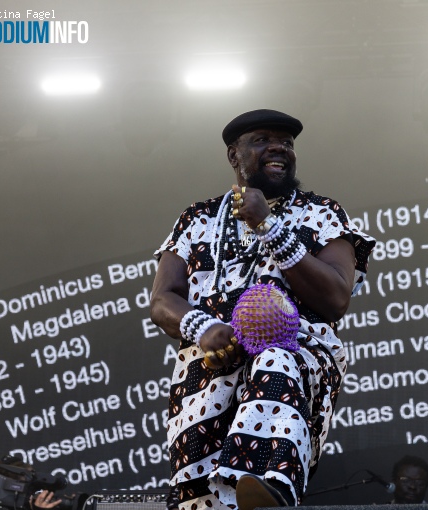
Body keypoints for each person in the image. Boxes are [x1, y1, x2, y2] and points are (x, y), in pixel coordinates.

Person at [150, 109, 376, 510]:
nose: (278, 148)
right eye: (262, 140)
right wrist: (204, 328)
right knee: (197, 495)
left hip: (294, 354)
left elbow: (337, 298)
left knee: (275, 360)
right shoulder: (196, 218)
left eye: (286, 143)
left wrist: (268, 225)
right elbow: (162, 299)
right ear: (233, 156)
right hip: (209, 363)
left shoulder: (322, 212)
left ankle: (270, 488)